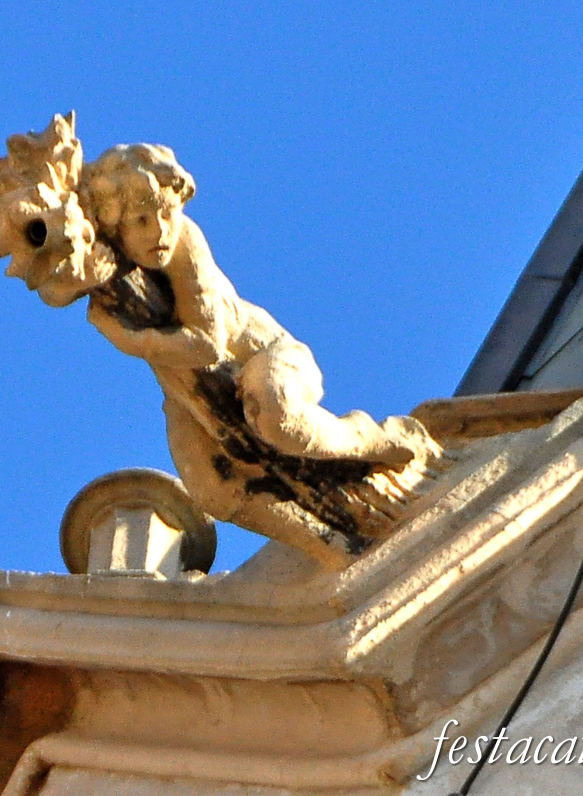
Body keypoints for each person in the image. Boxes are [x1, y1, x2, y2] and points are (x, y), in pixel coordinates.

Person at [79, 144, 441, 566]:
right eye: (142, 220)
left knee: (277, 418)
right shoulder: (112, 265)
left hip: (266, 355)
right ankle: (325, 542)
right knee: (209, 488)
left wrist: (131, 340)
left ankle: (372, 438)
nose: (160, 231)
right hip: (182, 388)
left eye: (167, 213)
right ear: (114, 225)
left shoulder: (184, 245)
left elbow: (206, 343)